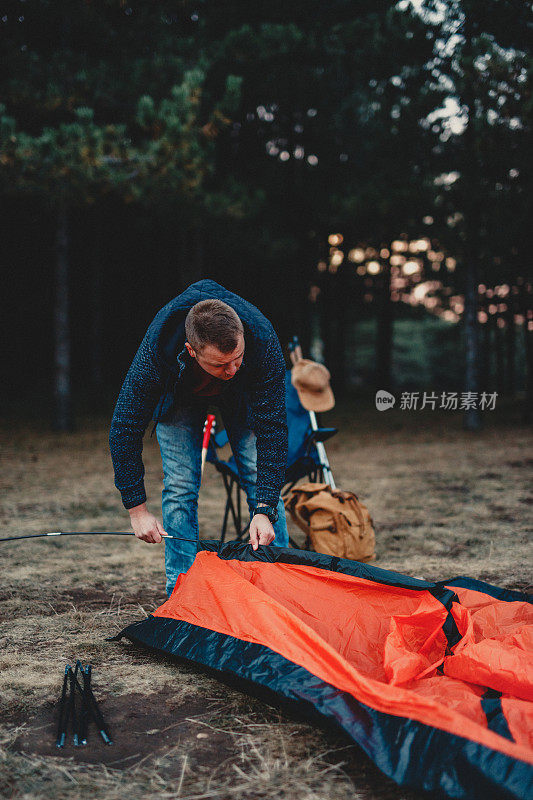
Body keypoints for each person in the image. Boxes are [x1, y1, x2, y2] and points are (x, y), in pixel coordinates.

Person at [109, 279, 289, 595]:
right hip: (180, 393)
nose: (233, 368)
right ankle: (182, 594)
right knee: (180, 484)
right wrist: (137, 510)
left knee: (258, 475)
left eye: (238, 358)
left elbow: (273, 430)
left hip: (243, 398)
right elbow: (125, 426)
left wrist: (264, 509)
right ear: (191, 351)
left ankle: (283, 587)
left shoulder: (261, 340)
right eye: (222, 364)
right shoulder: (159, 346)